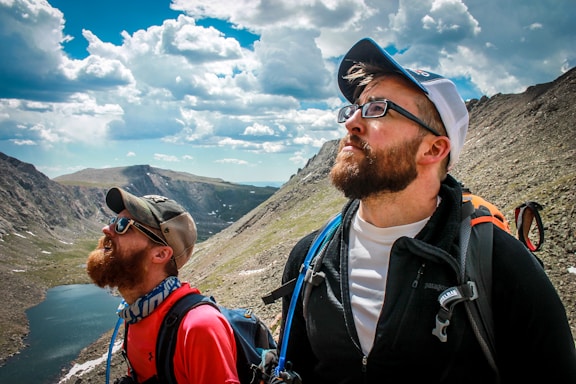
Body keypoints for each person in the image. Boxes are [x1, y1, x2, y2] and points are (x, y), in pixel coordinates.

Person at [278, 37, 576, 383]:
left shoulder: (499, 265)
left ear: (434, 148)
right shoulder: (310, 258)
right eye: (355, 108)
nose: (351, 123)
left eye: (378, 109)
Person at [87, 187, 239, 384]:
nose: (107, 229)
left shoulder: (199, 327)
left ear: (160, 254)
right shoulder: (136, 313)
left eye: (124, 225)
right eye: (114, 221)